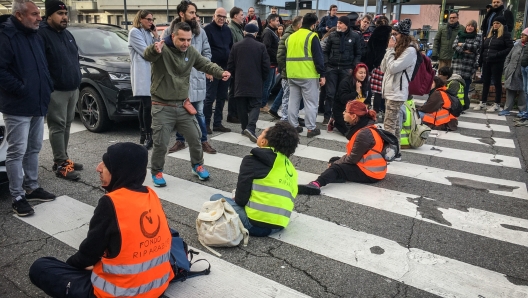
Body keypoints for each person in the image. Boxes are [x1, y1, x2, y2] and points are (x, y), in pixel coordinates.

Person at [29, 143, 174, 297]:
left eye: (105, 165)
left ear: (119, 172)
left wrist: (70, 269)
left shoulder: (112, 203)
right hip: (157, 287)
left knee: (41, 266)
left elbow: (88, 254)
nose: (98, 168)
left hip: (119, 293)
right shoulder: (151, 195)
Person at [144, 22, 230, 186]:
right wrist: (153, 49)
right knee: (161, 142)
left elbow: (205, 63)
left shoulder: (190, 51)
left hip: (183, 104)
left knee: (195, 137)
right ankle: (157, 172)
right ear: (173, 36)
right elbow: (148, 56)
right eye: (182, 39)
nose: (186, 43)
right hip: (162, 106)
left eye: (189, 40)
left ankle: (197, 166)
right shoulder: (162, 49)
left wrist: (220, 72)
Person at [0, 0, 56, 217]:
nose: (39, 18)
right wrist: (22, 89)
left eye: (39, 14)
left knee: (34, 148)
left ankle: (31, 187)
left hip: (37, 102)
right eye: (34, 14)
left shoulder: (35, 34)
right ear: (19, 15)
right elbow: (2, 71)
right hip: (18, 105)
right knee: (17, 151)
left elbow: (43, 65)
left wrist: (47, 85)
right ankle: (17, 196)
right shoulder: (6, 36)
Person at [210, 121, 299, 237]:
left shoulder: (252, 160)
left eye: (261, 133)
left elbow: (241, 200)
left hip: (255, 225)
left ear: (263, 142)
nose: (259, 135)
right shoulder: (290, 168)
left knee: (215, 198)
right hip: (280, 225)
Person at [298, 101, 387, 195]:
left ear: (353, 116)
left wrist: (335, 164)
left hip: (371, 173)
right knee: (334, 160)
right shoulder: (366, 127)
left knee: (336, 167)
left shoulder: (364, 133)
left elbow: (352, 159)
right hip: (373, 167)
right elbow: (355, 155)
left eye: (346, 111)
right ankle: (339, 176)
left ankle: (316, 184)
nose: (343, 113)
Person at [165, 1, 218, 154]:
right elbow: (163, 52)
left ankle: (203, 141)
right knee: (180, 111)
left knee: (199, 112)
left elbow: (207, 52)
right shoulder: (170, 31)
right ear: (182, 14)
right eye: (192, 12)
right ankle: (180, 141)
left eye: (195, 13)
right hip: (178, 79)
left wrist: (204, 66)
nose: (195, 16)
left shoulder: (200, 31)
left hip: (197, 77)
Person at [39, 0, 83, 180]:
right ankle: (61, 163)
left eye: (65, 14)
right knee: (57, 126)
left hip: (72, 87)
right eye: (60, 14)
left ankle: (63, 159)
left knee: (66, 125)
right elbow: (41, 65)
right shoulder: (42, 35)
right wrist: (49, 85)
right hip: (56, 90)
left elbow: (74, 58)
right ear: (49, 15)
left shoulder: (67, 34)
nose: (64, 17)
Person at [380, 19, 417, 161]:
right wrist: (389, 50)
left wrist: (390, 49)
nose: (393, 37)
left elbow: (393, 68)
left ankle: (388, 152)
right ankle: (397, 152)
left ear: (403, 35)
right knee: (394, 124)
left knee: (389, 124)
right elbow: (384, 68)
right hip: (390, 90)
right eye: (392, 34)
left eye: (395, 34)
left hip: (397, 92)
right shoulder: (396, 48)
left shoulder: (410, 51)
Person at [227, 23, 270, 142]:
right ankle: (250, 128)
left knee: (241, 105)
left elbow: (230, 65)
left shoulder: (236, 46)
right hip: (255, 80)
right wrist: (263, 78)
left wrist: (235, 77)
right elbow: (266, 66)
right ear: (256, 34)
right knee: (255, 105)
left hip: (239, 81)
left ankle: (244, 128)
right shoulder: (261, 46)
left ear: (244, 32)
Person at [286, 13, 326, 138]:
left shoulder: (291, 37)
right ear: (313, 24)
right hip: (308, 74)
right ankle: (310, 128)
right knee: (311, 102)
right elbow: (318, 58)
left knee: (293, 101)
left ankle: (293, 126)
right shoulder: (312, 36)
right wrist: (322, 74)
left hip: (292, 73)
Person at [323, 16, 361, 124]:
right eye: (338, 22)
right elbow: (326, 51)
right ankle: (327, 116)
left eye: (340, 23)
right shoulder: (332, 35)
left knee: (342, 94)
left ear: (346, 24)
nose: (338, 25)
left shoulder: (354, 36)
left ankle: (340, 117)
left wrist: (353, 67)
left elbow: (358, 53)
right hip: (332, 68)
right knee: (330, 93)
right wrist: (326, 65)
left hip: (346, 69)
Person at [129, 10, 158, 150]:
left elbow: (158, 49)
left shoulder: (147, 32)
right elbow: (147, 52)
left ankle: (142, 132)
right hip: (141, 73)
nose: (151, 22)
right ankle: (148, 135)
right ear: (140, 19)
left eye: (152, 19)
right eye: (148, 19)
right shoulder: (135, 32)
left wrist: (156, 35)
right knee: (147, 105)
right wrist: (156, 48)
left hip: (148, 72)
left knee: (143, 104)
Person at [204, 8, 234, 133]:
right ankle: (205, 124)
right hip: (212, 68)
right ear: (213, 16)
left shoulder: (227, 30)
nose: (221, 18)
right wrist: (207, 69)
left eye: (223, 16)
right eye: (219, 16)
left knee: (222, 96)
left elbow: (231, 47)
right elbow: (205, 51)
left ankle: (217, 123)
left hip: (225, 68)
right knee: (210, 97)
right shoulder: (207, 30)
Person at [474, 17, 513, 112]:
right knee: (486, 82)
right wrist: (480, 61)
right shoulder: (490, 35)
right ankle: (482, 102)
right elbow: (483, 48)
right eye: (494, 23)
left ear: (502, 25)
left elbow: (510, 48)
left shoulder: (505, 35)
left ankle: (497, 104)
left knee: (497, 82)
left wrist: (497, 55)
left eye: (497, 23)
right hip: (486, 61)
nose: (495, 25)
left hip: (497, 62)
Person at [270, 16, 303, 122]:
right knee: (287, 96)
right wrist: (287, 69)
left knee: (291, 96)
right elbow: (280, 56)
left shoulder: (293, 34)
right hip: (288, 72)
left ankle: (290, 116)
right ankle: (285, 119)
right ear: (299, 25)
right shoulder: (288, 36)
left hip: (294, 72)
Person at [329, 63, 371, 136]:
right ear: (355, 73)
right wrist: (356, 92)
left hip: (358, 111)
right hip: (344, 111)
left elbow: (368, 99)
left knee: (365, 129)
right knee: (350, 132)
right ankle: (335, 122)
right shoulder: (346, 82)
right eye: (360, 73)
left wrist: (367, 110)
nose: (363, 75)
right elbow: (343, 99)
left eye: (364, 73)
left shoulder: (366, 83)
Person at [451, 19, 481, 110]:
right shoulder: (460, 34)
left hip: (468, 65)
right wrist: (465, 51)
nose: (470, 27)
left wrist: (462, 44)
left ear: (475, 28)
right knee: (455, 85)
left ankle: (462, 106)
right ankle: (454, 104)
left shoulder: (477, 37)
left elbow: (475, 47)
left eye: (472, 26)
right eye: (468, 25)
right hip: (457, 64)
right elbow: (454, 46)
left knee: (465, 87)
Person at [365, 15, 391, 119]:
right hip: (388, 63)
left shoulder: (375, 33)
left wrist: (371, 65)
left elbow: (370, 50)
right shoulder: (391, 33)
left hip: (377, 64)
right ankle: (384, 110)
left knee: (376, 90)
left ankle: (375, 111)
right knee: (385, 90)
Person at [500, 30, 527, 116]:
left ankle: (522, 110)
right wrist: (506, 68)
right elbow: (508, 57)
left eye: (524, 35)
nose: (522, 37)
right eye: (521, 35)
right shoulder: (516, 45)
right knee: (510, 90)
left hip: (523, 73)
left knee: (523, 91)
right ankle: (507, 108)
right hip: (512, 71)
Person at [226, 6, 244, 125]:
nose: (243, 17)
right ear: (235, 16)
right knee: (233, 91)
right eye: (241, 15)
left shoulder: (238, 28)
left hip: (239, 64)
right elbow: (232, 48)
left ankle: (236, 113)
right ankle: (231, 114)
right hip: (235, 64)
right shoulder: (231, 29)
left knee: (237, 90)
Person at [260, 14, 280, 112]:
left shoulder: (272, 32)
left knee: (271, 83)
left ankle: (264, 102)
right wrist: (276, 55)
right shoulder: (268, 32)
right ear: (271, 21)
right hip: (269, 62)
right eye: (276, 21)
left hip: (273, 62)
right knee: (267, 84)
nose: (278, 23)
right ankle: (262, 104)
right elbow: (266, 47)